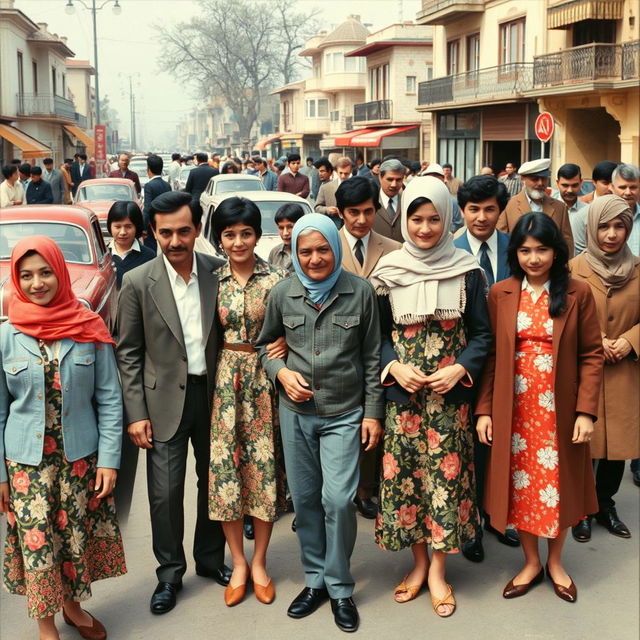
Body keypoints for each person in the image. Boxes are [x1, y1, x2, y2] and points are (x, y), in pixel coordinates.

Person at [256, 214, 384, 633]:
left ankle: (340, 586)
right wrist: (281, 373)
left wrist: (372, 413)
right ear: (294, 252)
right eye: (306, 251)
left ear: (335, 247)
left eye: (323, 249)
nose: (314, 259)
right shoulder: (282, 294)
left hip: (344, 414)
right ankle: (315, 581)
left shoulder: (360, 292)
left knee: (339, 500)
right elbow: (266, 349)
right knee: (307, 500)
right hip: (296, 417)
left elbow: (370, 358)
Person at [371, 176, 491, 617]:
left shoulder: (466, 271)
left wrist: (460, 368)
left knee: (444, 485)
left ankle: (439, 572)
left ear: (447, 218)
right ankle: (418, 566)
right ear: (404, 219)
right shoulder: (386, 273)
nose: (425, 228)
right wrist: (394, 365)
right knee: (408, 485)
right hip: (402, 402)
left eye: (434, 219)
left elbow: (482, 334)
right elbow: (377, 337)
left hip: (449, 405)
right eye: (416, 219)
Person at [0, 236, 126, 640]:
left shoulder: (87, 325)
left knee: (73, 537)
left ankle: (73, 606)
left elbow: (109, 398)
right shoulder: (6, 334)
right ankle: (46, 626)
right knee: (38, 544)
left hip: (79, 458)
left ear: (60, 272)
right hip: (25, 462)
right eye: (27, 275)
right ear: (16, 281)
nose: (38, 283)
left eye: (45, 272)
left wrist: (109, 459)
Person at [475, 212, 604, 603]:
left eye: (542, 249)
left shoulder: (578, 292)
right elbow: (491, 357)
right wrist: (484, 409)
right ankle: (531, 562)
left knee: (557, 485)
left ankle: (557, 562)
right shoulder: (501, 292)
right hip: (514, 408)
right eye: (526, 250)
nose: (534, 258)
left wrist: (585, 411)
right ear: (515, 253)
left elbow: (592, 354)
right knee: (521, 486)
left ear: (556, 251)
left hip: (558, 407)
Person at [116, 191, 231, 615]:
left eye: (184, 230)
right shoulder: (136, 282)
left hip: (215, 397)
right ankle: (169, 574)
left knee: (215, 483)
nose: (176, 240)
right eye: (166, 233)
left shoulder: (219, 274)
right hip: (161, 402)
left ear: (197, 229)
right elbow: (127, 352)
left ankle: (210, 559)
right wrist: (136, 414)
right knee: (165, 494)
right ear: (154, 233)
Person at [207, 197, 288, 607]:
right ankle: (237, 562)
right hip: (224, 383)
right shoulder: (211, 281)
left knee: (262, 473)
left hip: (264, 382)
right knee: (227, 475)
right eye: (229, 234)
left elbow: (292, 328)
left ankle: (260, 563)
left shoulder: (277, 281)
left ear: (257, 235)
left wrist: (285, 343)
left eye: (245, 233)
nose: (238, 241)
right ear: (219, 238)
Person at [453, 175, 518, 562]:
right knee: (468, 446)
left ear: (500, 210)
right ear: (462, 211)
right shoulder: (450, 250)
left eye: (489, 209)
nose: (481, 217)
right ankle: (471, 522)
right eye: (473, 209)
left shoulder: (515, 249)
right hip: (464, 364)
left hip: (511, 362)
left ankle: (499, 515)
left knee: (504, 441)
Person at [569, 196, 639, 542]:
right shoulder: (571, 270)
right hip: (585, 371)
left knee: (617, 447)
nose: (612, 234)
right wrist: (598, 340)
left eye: (620, 226)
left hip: (625, 370)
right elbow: (561, 320)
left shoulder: (639, 269)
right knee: (585, 442)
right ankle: (582, 508)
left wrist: (629, 340)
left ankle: (605, 504)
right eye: (604, 226)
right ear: (591, 227)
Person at [335, 177, 400, 520]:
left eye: (368, 211)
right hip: (336, 349)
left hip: (380, 345)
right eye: (353, 212)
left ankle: (365, 490)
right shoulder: (326, 247)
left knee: (374, 418)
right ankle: (327, 494)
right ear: (341, 213)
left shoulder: (393, 249)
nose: (361, 220)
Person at [498, 158, 574, 255]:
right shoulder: (509, 205)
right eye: (535, 179)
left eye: (544, 179)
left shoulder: (560, 207)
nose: (540, 183)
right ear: (523, 180)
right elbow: (501, 240)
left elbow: (567, 244)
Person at [107, 200, 156, 288]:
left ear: (137, 227)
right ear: (110, 226)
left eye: (128, 226)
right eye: (117, 227)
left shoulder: (149, 257)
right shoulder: (103, 256)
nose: (122, 232)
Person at [551, 163, 588, 255]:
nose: (570, 190)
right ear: (557, 183)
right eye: (565, 185)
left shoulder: (588, 211)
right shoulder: (547, 208)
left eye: (574, 185)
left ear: (581, 183)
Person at [423, 163, 464, 233]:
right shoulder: (419, 199)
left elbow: (457, 223)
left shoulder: (451, 201)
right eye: (430, 178)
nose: (433, 182)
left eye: (436, 178)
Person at [143, 154, 172, 253]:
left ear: (148, 169)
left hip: (153, 223)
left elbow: (147, 207)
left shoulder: (149, 186)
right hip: (166, 221)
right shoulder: (167, 185)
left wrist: (144, 227)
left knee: (151, 249)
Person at [609, 163, 640, 256]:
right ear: (612, 187)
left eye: (633, 187)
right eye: (622, 187)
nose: (628, 192)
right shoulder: (600, 218)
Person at [314, 157, 353, 228]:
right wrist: (327, 210)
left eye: (346, 173)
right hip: (332, 226)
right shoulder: (325, 188)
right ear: (336, 171)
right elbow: (317, 208)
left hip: (351, 226)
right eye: (340, 173)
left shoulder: (356, 187)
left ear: (350, 172)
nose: (343, 176)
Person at [267, 203, 306, 272]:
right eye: (281, 228)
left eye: (290, 227)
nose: (285, 233)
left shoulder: (309, 252)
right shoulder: (275, 253)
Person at [374, 158, 405, 242]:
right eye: (390, 179)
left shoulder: (407, 201)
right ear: (380, 177)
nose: (394, 185)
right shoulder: (370, 202)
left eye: (398, 180)